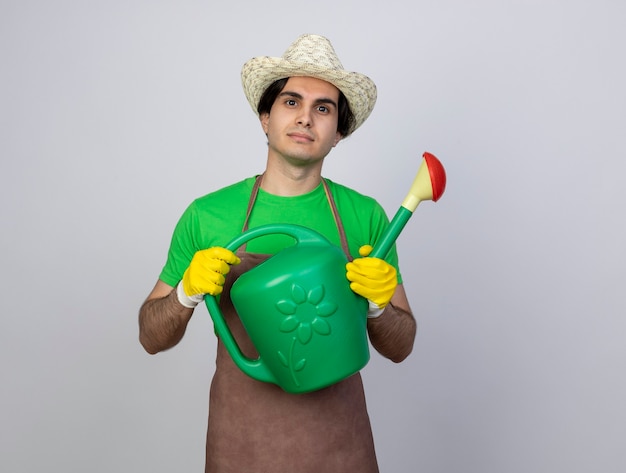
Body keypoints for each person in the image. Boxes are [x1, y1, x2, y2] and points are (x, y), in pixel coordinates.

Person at [139, 34, 417, 473]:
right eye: (291, 102)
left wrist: (381, 308)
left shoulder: (364, 217)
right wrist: (185, 295)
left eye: (323, 108)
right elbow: (152, 337)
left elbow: (402, 346)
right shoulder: (208, 215)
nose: (306, 118)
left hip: (340, 448)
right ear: (265, 117)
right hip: (240, 446)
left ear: (338, 133)